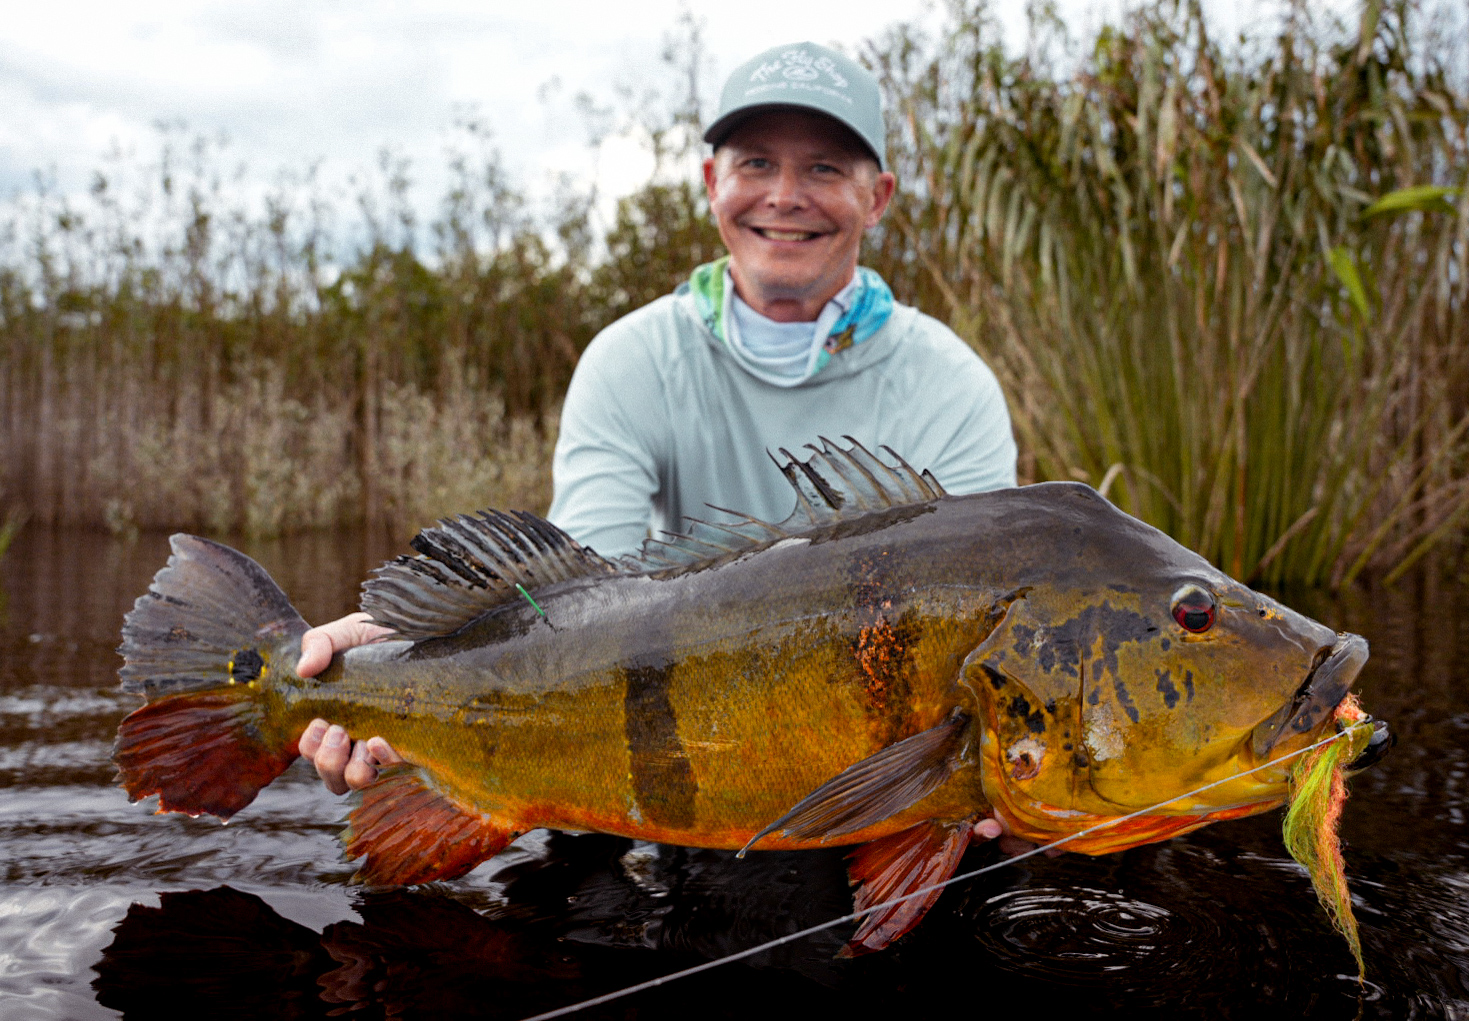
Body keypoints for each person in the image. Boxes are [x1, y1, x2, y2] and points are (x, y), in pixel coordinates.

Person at [295, 43, 1019, 842]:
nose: (785, 196)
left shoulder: (954, 386)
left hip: (875, 790)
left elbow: (978, 611)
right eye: (756, 163)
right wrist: (395, 656)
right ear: (713, 184)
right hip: (657, 777)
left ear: (876, 197)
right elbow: (575, 594)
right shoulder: (630, 359)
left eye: (823, 168)